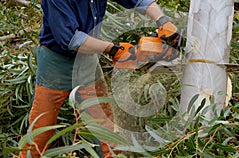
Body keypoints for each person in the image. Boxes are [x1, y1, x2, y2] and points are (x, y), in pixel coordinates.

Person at [19, 0, 179, 157]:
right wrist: (113, 49)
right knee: (42, 128)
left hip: (87, 61)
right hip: (56, 65)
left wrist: (163, 20)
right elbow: (71, 40)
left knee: (106, 125)